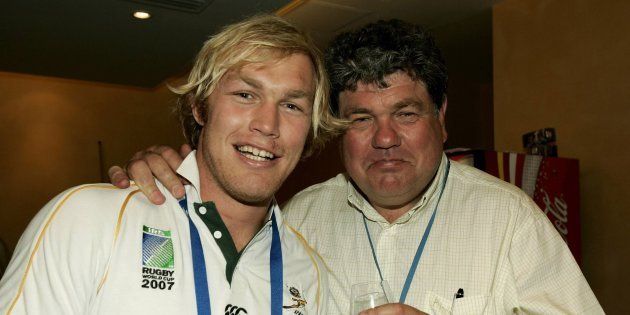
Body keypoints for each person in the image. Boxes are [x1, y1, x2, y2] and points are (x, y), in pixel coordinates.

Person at [108, 20, 603, 314]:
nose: (385, 139)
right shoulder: (297, 219)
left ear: (442, 118)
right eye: (362, 118)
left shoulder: (511, 221)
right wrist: (169, 173)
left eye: (406, 114)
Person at [0, 15, 333, 315]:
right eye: (245, 95)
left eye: (291, 105)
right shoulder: (88, 220)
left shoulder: (310, 273)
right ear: (200, 108)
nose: (268, 124)